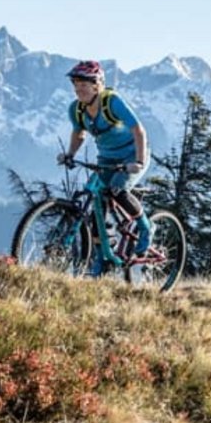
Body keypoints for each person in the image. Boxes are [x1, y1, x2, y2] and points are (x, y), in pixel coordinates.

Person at [58, 60, 150, 276]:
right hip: (106, 159)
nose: (79, 90)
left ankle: (146, 227)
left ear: (97, 85)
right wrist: (70, 155)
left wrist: (138, 161)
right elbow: (79, 134)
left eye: (84, 85)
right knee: (95, 202)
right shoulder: (76, 109)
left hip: (132, 154)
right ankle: (103, 258)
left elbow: (138, 130)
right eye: (76, 85)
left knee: (117, 190)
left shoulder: (112, 102)